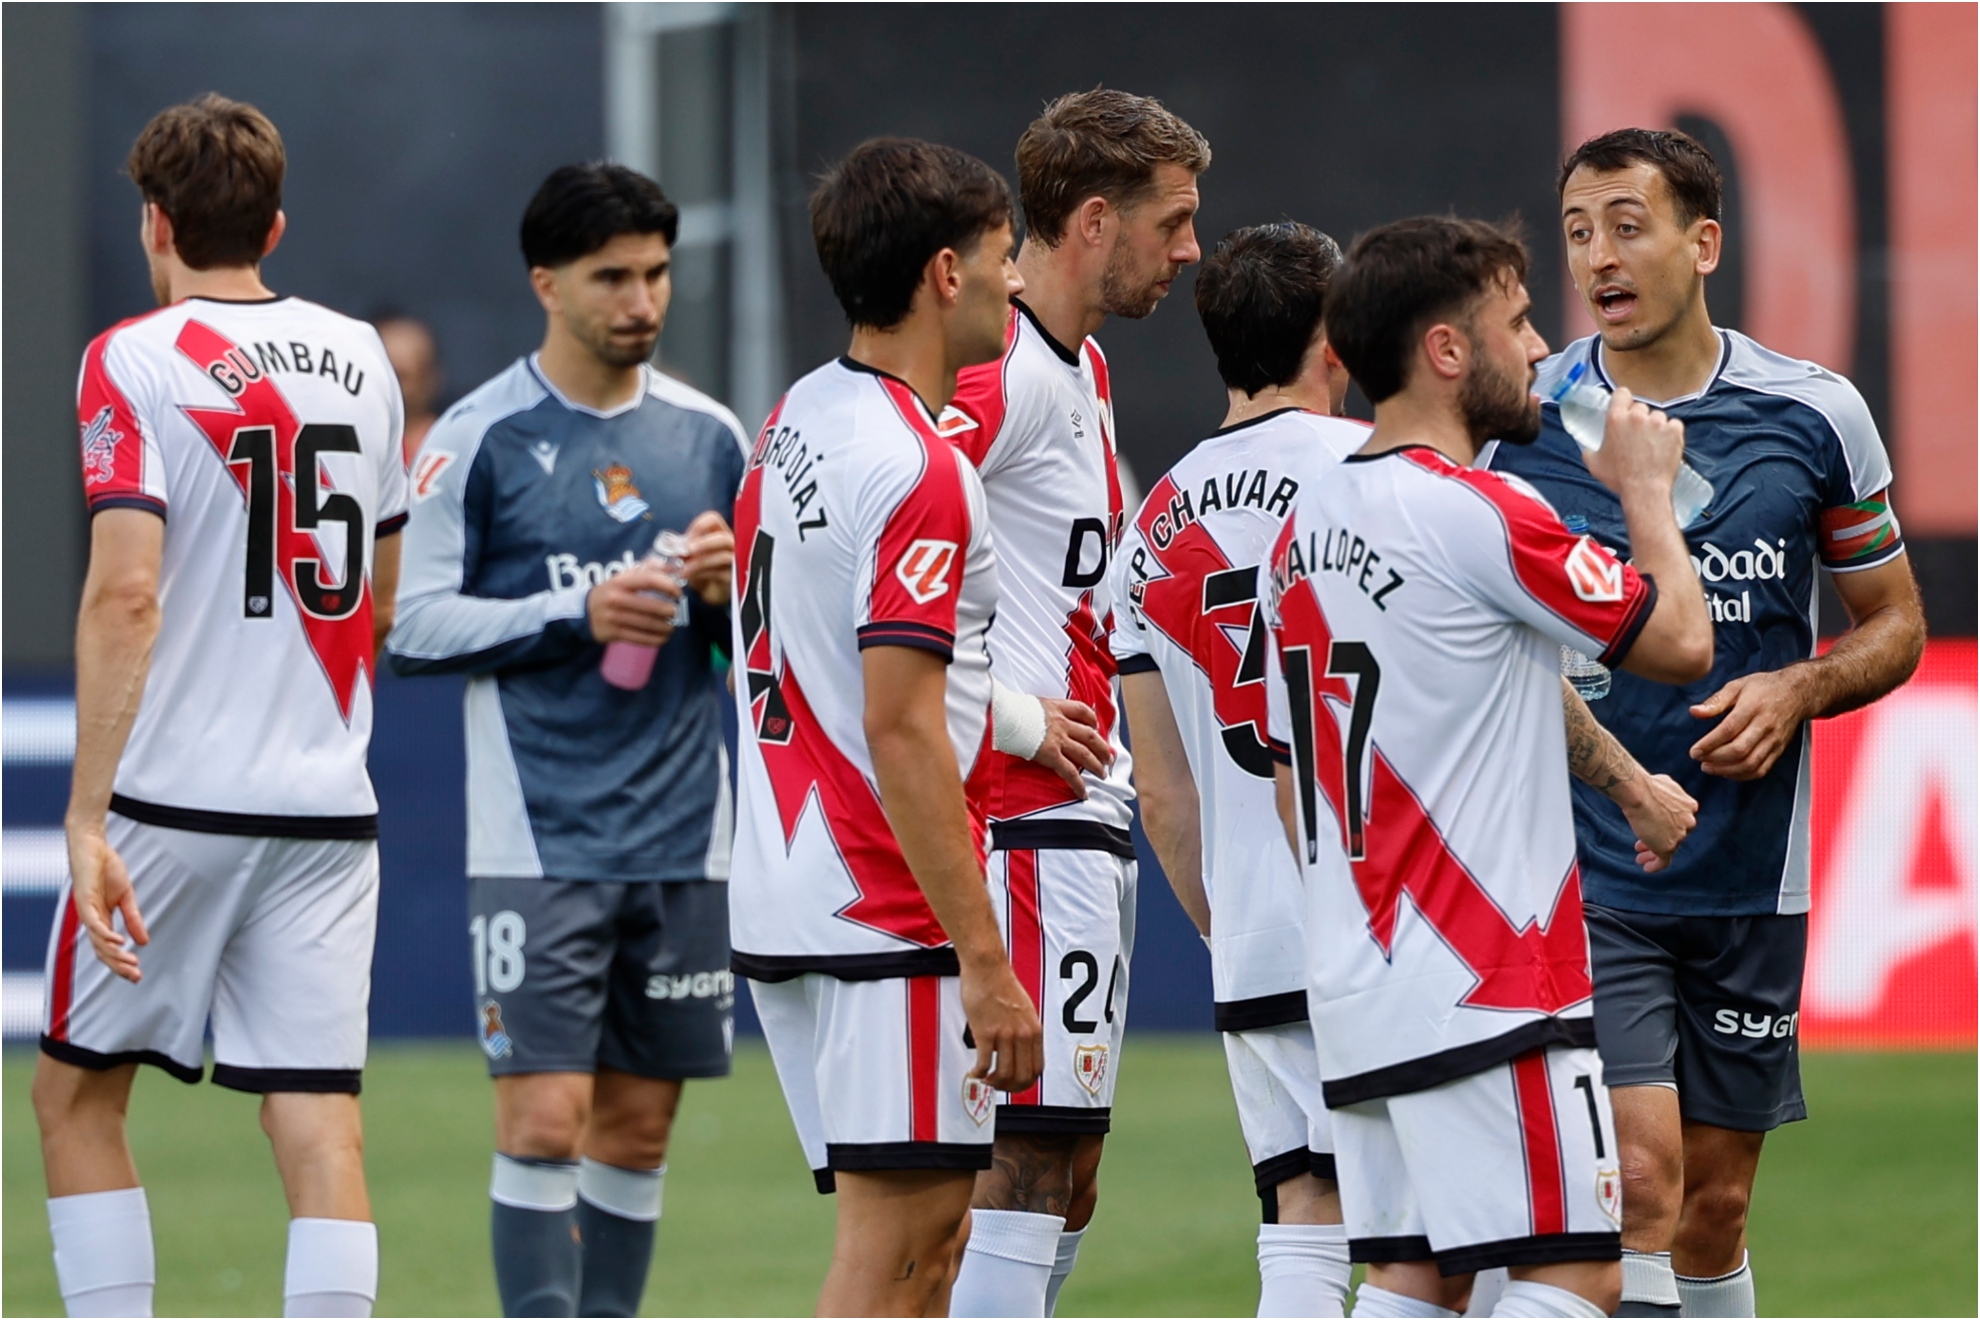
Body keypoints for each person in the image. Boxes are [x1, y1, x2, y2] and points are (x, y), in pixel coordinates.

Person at [1485, 129, 1927, 1318]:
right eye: (1578, 231)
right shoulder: (1528, 419)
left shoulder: (1814, 414)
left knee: (1715, 1206)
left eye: (1628, 224)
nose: (1599, 256)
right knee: (1640, 1179)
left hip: (1746, 873)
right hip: (1588, 865)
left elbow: (1894, 625)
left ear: (1704, 242)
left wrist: (1799, 688)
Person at [1264, 215, 1715, 1318]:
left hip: (1361, 974)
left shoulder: (1302, 526)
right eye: (1516, 323)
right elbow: (1680, 642)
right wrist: (1645, 488)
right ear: (1447, 350)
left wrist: (1628, 789)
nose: (1538, 349)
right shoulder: (1479, 510)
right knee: (1576, 1270)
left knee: (1420, 1277)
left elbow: (1296, 771)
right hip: (1488, 977)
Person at [32, 94, 407, 1319]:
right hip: (325, 805)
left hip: (170, 799)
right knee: (318, 1126)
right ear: (276, 223)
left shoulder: (130, 360)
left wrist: (88, 818)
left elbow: (126, 593)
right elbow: (381, 602)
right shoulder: (365, 356)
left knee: (77, 1094)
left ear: (154, 222)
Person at [386, 163, 745, 1318]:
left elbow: (770, 655)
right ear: (546, 282)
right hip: (539, 838)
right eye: (612, 277)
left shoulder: (712, 437)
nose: (641, 300)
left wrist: (730, 600)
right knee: (545, 1120)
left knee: (637, 1134)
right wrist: (572, 614)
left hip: (685, 836)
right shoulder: (477, 440)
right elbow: (414, 629)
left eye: (655, 273)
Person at [726, 136, 1042, 1317]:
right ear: (946, 273)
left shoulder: (799, 414)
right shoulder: (917, 465)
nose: (1016, 284)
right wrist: (984, 957)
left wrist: (1005, 716)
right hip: (883, 906)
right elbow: (901, 728)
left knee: (926, 1250)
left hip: (796, 878)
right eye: (1005, 258)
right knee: (898, 1256)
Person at [942, 88, 1210, 1319]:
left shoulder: (1078, 363)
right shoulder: (994, 375)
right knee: (1027, 1155)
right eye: (1176, 220)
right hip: (1020, 812)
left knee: (1074, 1166)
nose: (1191, 249)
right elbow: (875, 568)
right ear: (1097, 221)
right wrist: (1012, 715)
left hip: (1081, 814)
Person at [372, 312, 443, 463]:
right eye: (385, 373)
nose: (393, 387)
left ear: (430, 378)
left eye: (401, 376)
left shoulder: (449, 447)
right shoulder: (354, 446)